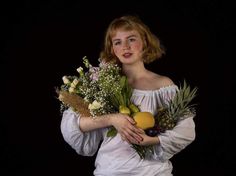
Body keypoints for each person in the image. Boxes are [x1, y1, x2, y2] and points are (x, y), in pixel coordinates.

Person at [60, 15, 196, 175]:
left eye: (131, 39)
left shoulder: (164, 85)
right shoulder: (101, 84)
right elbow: (71, 125)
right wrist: (112, 119)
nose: (125, 46)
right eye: (117, 42)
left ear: (145, 42)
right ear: (112, 48)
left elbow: (186, 130)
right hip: (111, 171)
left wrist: (151, 141)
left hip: (153, 172)